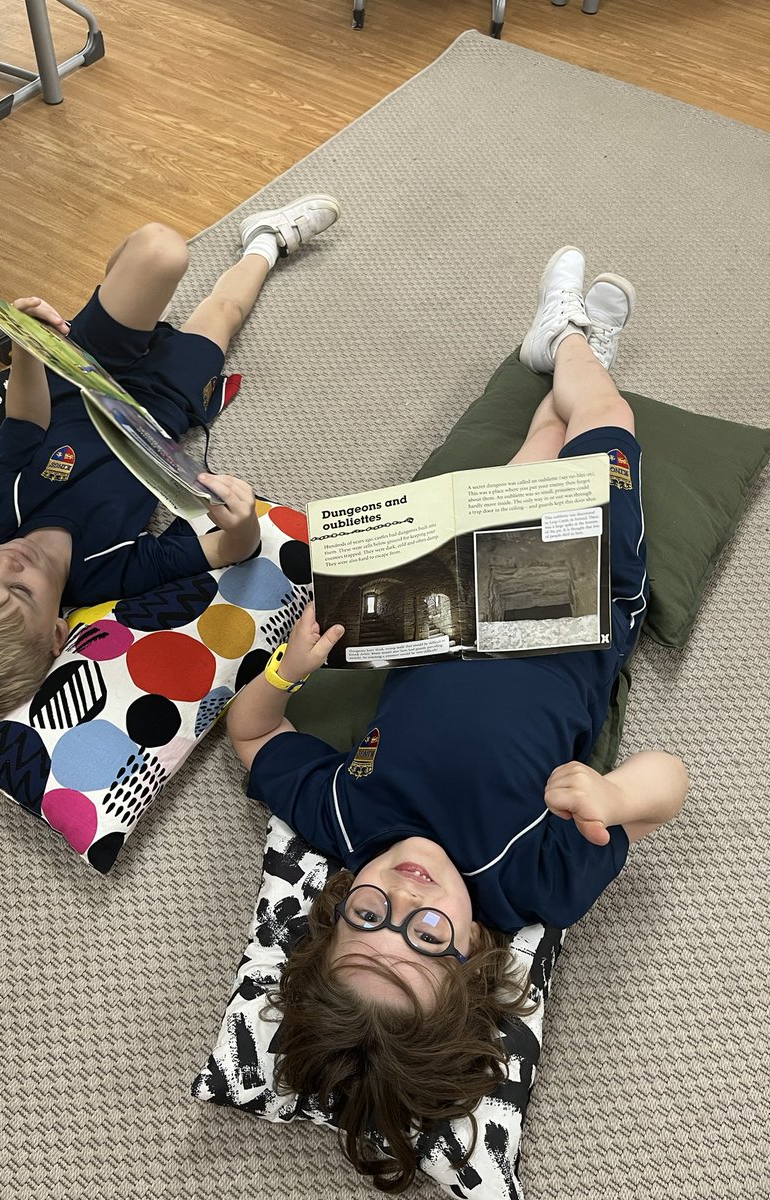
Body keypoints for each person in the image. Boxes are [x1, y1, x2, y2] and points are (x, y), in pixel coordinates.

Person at [226, 246, 688, 1192]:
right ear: (473, 958)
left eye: (368, 918)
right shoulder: (531, 883)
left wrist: (288, 667)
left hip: (447, 592)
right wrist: (610, 789)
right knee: (605, 418)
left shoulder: (349, 826)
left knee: (529, 448)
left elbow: (250, 736)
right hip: (580, 588)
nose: (403, 894)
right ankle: (567, 334)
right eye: (425, 937)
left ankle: (556, 351)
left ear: (334, 911)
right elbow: (667, 790)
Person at [0, 194, 341, 730]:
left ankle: (116, 292)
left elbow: (23, 425)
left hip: (78, 373)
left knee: (162, 251)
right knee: (226, 312)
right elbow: (226, 550)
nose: (7, 563)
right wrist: (243, 521)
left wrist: (26, 352)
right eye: (18, 591)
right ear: (59, 632)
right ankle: (268, 240)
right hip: (158, 407)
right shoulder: (104, 573)